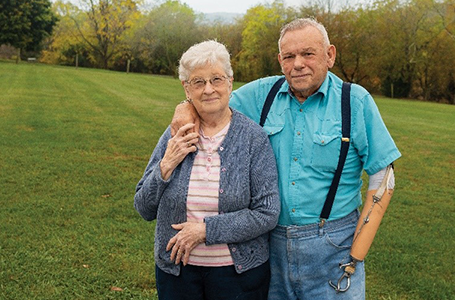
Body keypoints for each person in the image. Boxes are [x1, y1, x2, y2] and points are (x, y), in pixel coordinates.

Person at [171, 18, 401, 299]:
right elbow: (211, 100)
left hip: (334, 245)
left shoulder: (354, 101)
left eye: (308, 54)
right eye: (289, 56)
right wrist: (184, 108)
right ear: (280, 60)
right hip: (271, 244)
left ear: (330, 55)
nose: (298, 64)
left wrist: (357, 252)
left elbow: (383, 176)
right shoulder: (261, 94)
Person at [134, 40, 280, 300]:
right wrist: (166, 166)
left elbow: (267, 213)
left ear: (230, 82)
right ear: (186, 89)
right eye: (198, 82)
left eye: (216, 79)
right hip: (177, 275)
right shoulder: (175, 135)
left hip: (239, 276)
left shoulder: (253, 139)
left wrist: (205, 230)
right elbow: (144, 208)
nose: (209, 89)